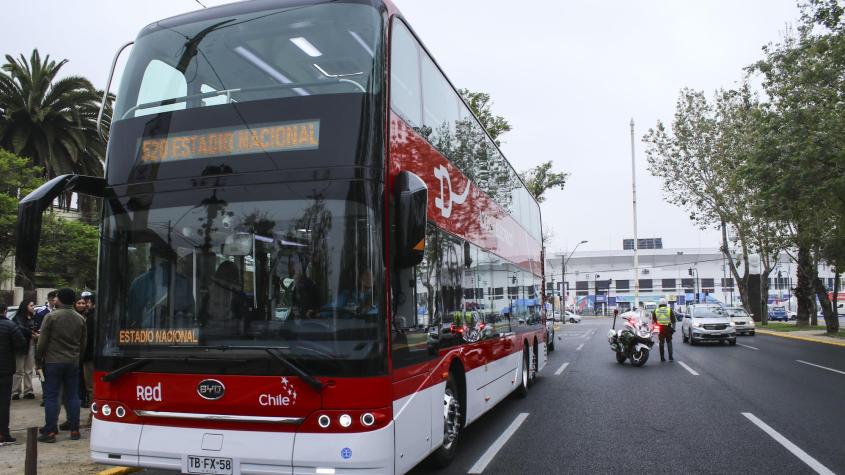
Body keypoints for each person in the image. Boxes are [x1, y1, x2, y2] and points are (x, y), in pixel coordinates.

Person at [35, 288, 86, 443]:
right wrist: (78, 358)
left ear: (61, 299)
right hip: (73, 361)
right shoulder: (80, 319)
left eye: (56, 297)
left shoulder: (51, 317)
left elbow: (42, 342)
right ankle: (75, 429)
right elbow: (83, 343)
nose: (55, 299)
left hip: (53, 361)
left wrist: (38, 360)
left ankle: (50, 430)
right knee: (72, 396)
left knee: (52, 396)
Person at [1, 303, 26, 444]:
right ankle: (3, 433)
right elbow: (21, 344)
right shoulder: (10, 326)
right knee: (3, 403)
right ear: (5, 311)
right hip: (5, 370)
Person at [11, 300, 38, 400]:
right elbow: (20, 329)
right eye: (31, 305)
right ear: (25, 306)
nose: (33, 307)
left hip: (30, 344)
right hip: (20, 347)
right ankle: (15, 392)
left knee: (29, 370)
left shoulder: (33, 317)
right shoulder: (17, 318)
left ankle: (28, 391)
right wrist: (31, 332)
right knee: (18, 370)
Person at [80, 292, 96, 419]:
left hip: (89, 356)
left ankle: (93, 414)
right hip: (94, 356)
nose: (86, 304)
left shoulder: (91, 318)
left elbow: (87, 339)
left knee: (90, 387)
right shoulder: (94, 316)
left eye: (89, 302)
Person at [652, 297, 674, 362]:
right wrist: (674, 329)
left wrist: (654, 328)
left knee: (661, 343)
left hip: (660, 328)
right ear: (666, 303)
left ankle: (662, 358)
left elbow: (653, 321)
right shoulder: (669, 310)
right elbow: (674, 321)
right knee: (669, 342)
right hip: (668, 327)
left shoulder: (656, 310)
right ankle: (670, 357)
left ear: (659, 304)